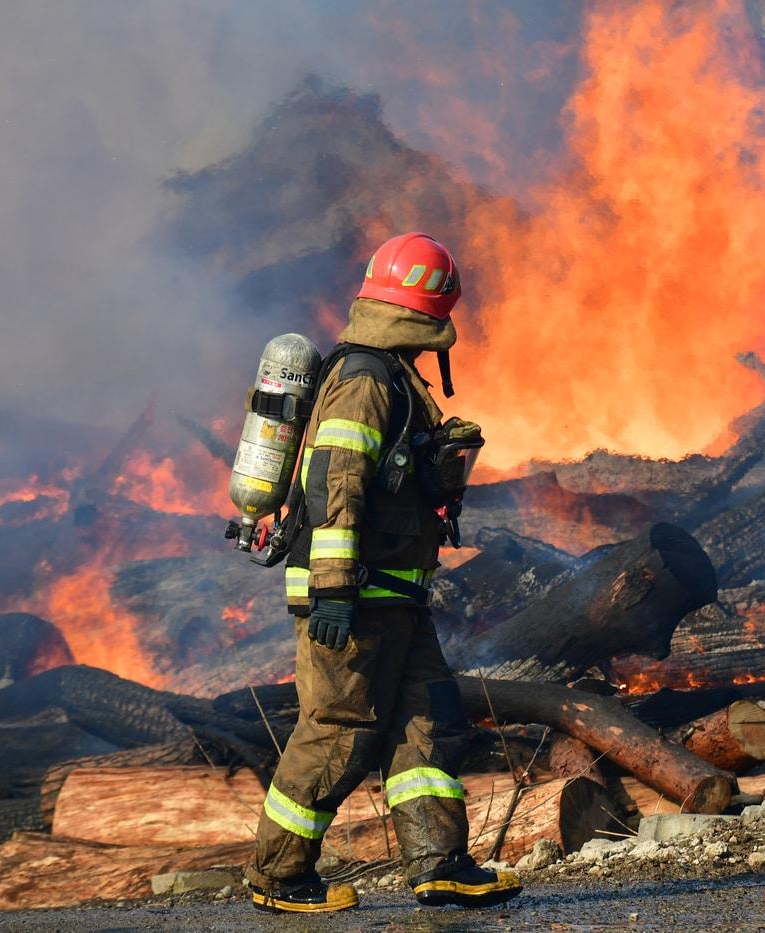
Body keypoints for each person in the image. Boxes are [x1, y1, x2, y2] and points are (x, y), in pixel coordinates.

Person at [245, 232, 520, 913]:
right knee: (339, 728)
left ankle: (439, 863)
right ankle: (277, 875)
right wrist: (333, 589)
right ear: (428, 310)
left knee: (429, 718)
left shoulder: (393, 374)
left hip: (395, 593)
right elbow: (337, 481)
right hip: (354, 594)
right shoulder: (366, 379)